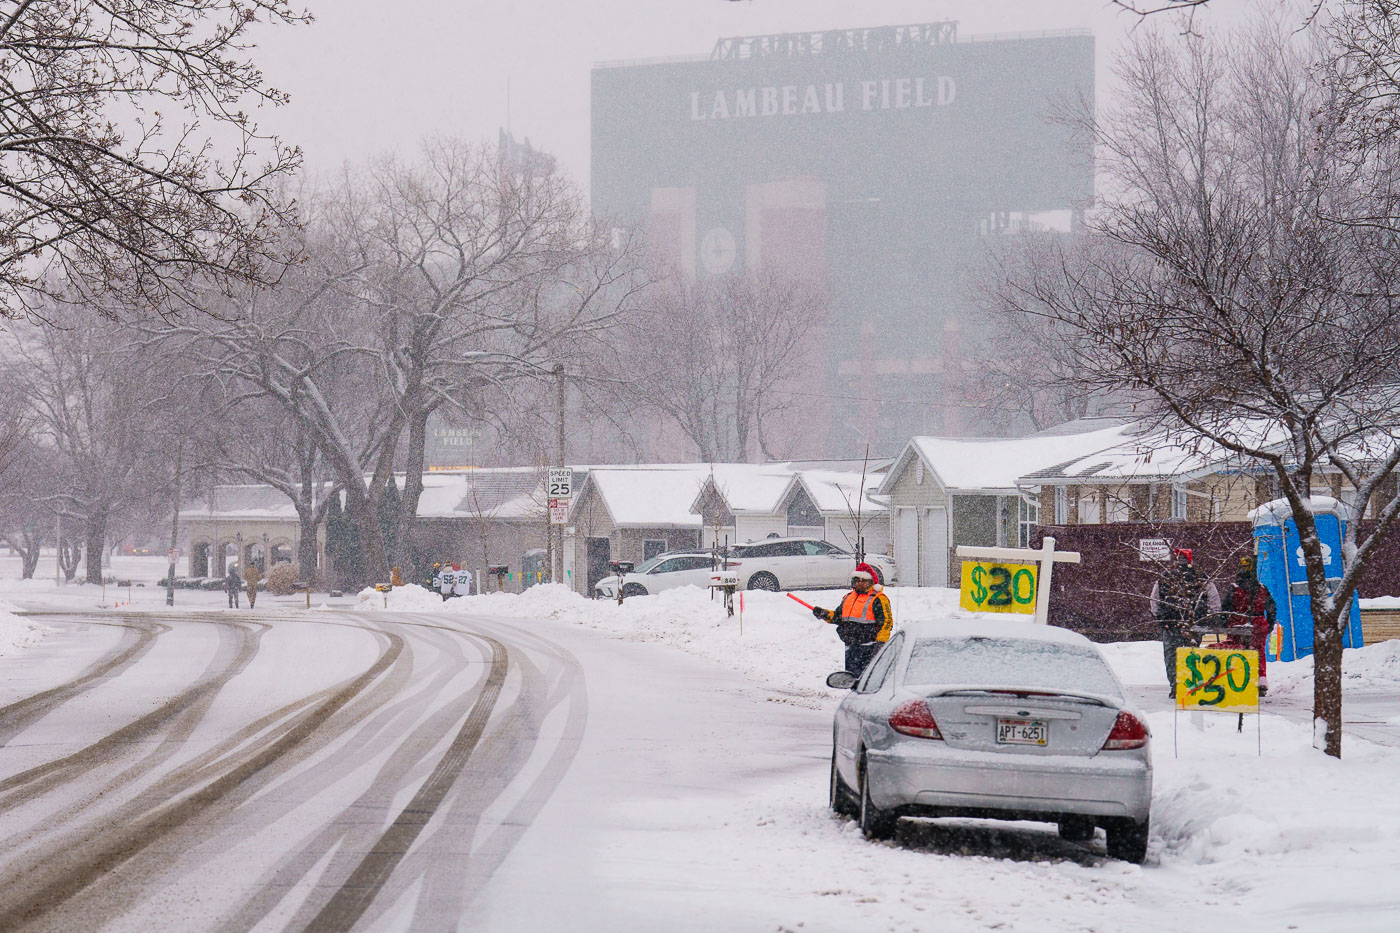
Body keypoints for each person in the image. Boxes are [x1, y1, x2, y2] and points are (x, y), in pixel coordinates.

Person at [1149, 548, 1220, 698]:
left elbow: (1154, 600)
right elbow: (1214, 600)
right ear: (1190, 560)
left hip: (1171, 624)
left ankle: (1175, 687)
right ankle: (1190, 684)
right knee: (1191, 654)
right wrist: (1210, 617)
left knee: (1171, 657)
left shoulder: (1165, 577)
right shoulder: (1201, 578)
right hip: (1194, 623)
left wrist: (1161, 618)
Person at [811, 563, 893, 676]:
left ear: (871, 582)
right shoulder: (848, 597)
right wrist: (824, 614)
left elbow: (886, 623)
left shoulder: (878, 599)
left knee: (868, 678)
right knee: (852, 678)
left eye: (864, 580)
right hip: (850, 646)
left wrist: (880, 643)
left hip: (869, 647)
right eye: (857, 580)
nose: (860, 583)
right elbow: (838, 617)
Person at [1228, 555, 1276, 696]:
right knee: (1258, 651)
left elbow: (1225, 607)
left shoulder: (1234, 588)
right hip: (1259, 622)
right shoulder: (1262, 588)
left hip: (1237, 622)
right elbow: (1272, 607)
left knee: (1237, 649)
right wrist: (1270, 623)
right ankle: (1260, 678)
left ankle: (1239, 678)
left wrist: (1224, 623)